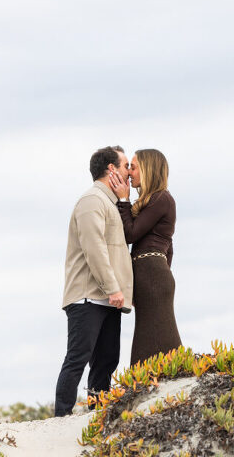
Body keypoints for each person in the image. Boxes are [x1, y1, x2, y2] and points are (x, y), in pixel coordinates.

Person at [54, 146, 134, 417]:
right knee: (78, 359)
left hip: (110, 298)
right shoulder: (91, 201)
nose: (130, 173)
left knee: (107, 360)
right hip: (88, 296)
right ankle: (61, 418)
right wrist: (113, 288)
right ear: (111, 169)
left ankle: (96, 416)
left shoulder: (109, 203)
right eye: (125, 166)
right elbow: (94, 247)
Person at [108, 149, 181, 366]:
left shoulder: (162, 198)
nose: (129, 172)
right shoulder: (154, 200)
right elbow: (169, 247)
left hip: (151, 274)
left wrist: (123, 200)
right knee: (150, 332)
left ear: (148, 169)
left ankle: (163, 379)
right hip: (150, 273)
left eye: (133, 166)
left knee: (155, 334)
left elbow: (130, 233)